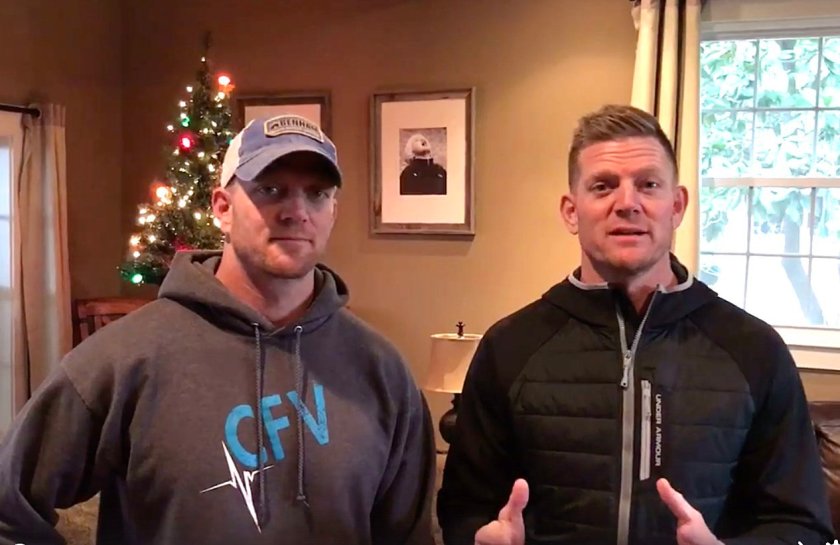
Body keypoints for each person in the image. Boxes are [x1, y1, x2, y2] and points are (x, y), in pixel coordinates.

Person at [0, 114, 437, 545]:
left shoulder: (382, 371)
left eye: (317, 194)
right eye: (271, 189)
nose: (297, 211)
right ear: (222, 208)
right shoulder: (124, 360)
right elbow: (7, 509)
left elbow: (409, 536)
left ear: (333, 212)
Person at [437, 104, 834, 545]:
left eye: (648, 185)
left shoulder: (755, 350)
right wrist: (479, 538)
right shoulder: (509, 347)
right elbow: (462, 508)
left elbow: (802, 524)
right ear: (571, 211)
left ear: (676, 206)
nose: (627, 203)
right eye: (603, 186)